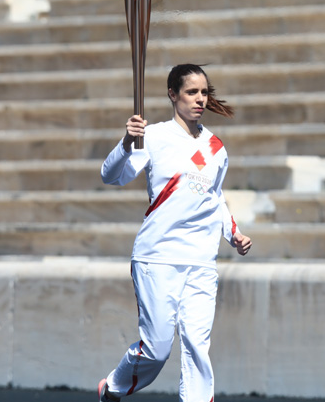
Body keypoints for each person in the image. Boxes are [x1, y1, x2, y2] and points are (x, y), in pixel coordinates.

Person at [98, 63, 252, 402]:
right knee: (156, 349)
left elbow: (214, 198)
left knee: (198, 346)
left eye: (204, 92)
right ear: (173, 94)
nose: (200, 99)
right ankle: (114, 386)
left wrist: (234, 233)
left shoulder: (215, 148)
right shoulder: (153, 136)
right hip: (159, 256)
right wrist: (127, 141)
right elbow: (111, 176)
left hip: (201, 260)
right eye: (191, 92)